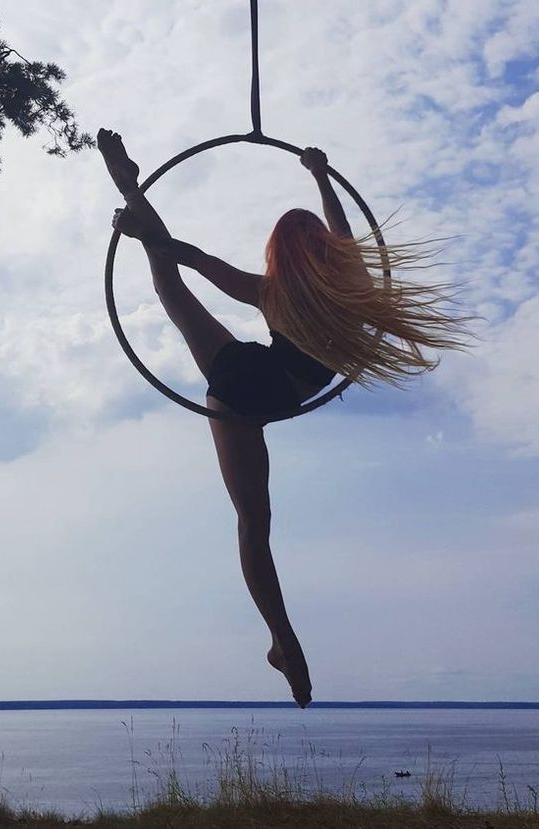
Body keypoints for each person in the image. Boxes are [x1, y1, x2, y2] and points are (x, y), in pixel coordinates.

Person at [97, 129, 469, 708]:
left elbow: (193, 259)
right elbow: (343, 233)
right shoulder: (352, 286)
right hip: (275, 394)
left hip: (242, 379)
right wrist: (320, 176)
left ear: (279, 252)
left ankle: (283, 637)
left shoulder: (271, 291)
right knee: (254, 523)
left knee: (170, 281)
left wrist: (147, 231)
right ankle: (281, 640)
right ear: (321, 247)